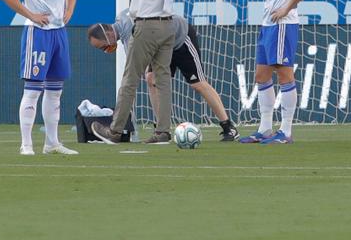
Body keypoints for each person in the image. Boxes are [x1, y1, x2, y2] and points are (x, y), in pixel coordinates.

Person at [88, 9, 240, 141]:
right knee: (151, 79)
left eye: (105, 47)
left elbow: (134, 69)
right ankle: (160, 127)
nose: (107, 50)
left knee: (198, 83)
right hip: (161, 45)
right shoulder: (121, 18)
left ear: (108, 34)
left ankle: (228, 126)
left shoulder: (130, 32)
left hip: (180, 38)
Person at [91, 0, 177, 145]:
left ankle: (115, 130)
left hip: (147, 27)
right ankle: (163, 131)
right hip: (167, 25)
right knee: (162, 80)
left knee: (130, 79)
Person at [0, 0, 78, 156]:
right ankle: (26, 144)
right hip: (38, 34)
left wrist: (69, 12)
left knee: (55, 92)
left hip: (58, 33)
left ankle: (52, 143)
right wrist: (31, 15)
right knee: (33, 90)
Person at [239, 0, 311, 145]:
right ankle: (265, 129)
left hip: (282, 24)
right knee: (261, 75)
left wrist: (286, 8)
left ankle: (286, 131)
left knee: (284, 74)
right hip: (268, 23)